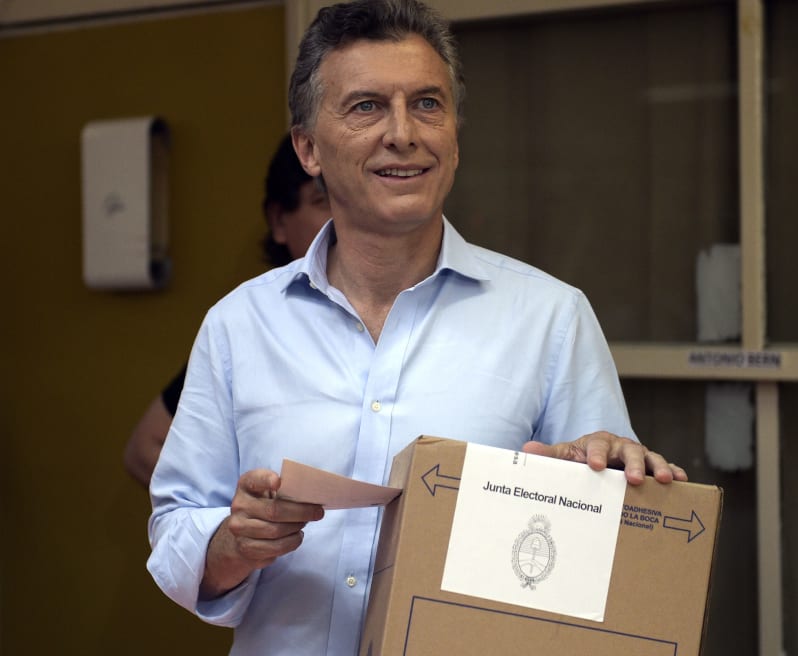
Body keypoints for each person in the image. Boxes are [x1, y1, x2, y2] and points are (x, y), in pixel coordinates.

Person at [146, 2, 687, 654]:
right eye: (367, 106)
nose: (403, 133)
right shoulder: (240, 324)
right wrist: (231, 544)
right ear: (308, 148)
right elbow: (174, 528)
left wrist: (607, 483)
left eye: (427, 104)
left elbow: (606, 566)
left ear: (454, 138)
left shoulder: (551, 319)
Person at [123, 134, 330, 488]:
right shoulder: (249, 323)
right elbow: (144, 448)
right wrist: (243, 510)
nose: (342, 218)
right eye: (323, 201)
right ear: (279, 220)